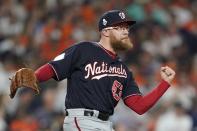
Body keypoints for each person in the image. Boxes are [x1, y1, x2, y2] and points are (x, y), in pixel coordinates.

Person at [9, 10, 176, 131]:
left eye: (127, 27)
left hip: (106, 124)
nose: (126, 31)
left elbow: (139, 106)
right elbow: (54, 67)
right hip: (81, 121)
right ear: (105, 32)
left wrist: (165, 84)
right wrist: (35, 76)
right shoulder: (85, 49)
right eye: (120, 27)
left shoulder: (124, 69)